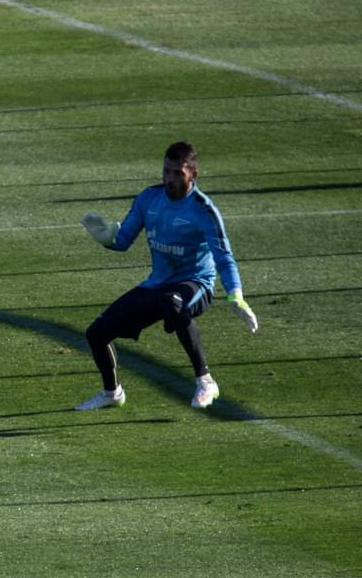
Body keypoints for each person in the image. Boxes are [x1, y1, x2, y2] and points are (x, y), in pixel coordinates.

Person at [75, 141, 258, 411]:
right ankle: (112, 393)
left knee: (171, 301)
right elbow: (123, 241)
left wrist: (236, 297)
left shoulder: (203, 210)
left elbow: (224, 256)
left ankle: (205, 380)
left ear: (193, 175)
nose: (170, 179)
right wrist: (104, 238)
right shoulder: (149, 198)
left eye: (178, 174)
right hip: (158, 284)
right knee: (96, 333)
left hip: (196, 284)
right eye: (166, 171)